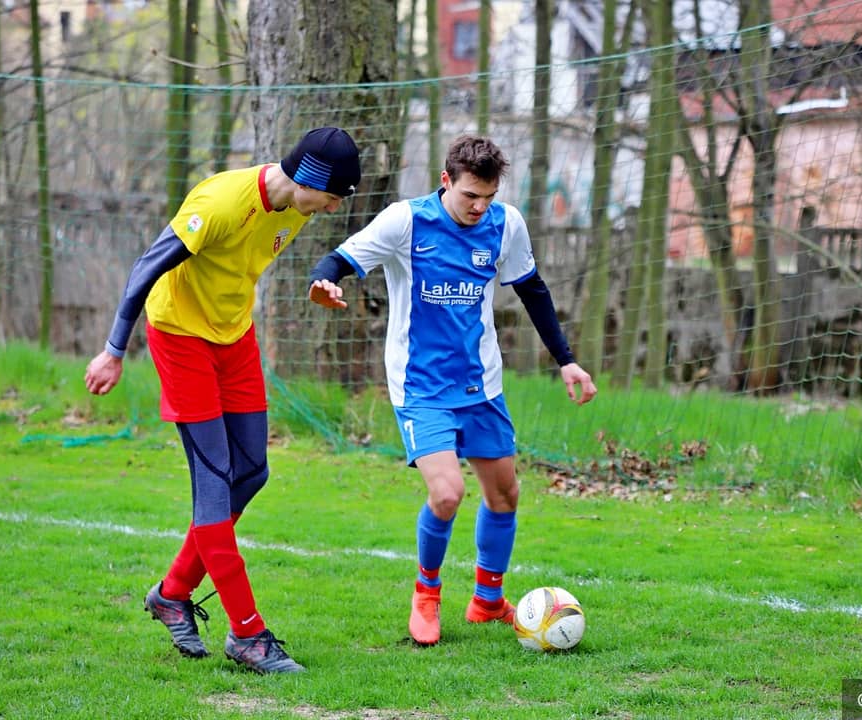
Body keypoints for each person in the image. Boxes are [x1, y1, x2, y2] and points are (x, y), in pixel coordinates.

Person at [84, 127, 362, 673]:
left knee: (251, 472)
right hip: (181, 338)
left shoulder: (297, 207)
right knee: (214, 482)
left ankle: (171, 593)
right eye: (332, 197)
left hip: (234, 336)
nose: (333, 209)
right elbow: (146, 266)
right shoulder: (220, 202)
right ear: (309, 179)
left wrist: (319, 284)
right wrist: (114, 350)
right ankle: (247, 634)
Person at [308, 135, 597, 646]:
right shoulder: (406, 220)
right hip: (420, 386)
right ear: (446, 181)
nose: (479, 207)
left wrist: (567, 360)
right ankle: (427, 594)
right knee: (446, 493)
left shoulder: (506, 224)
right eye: (469, 196)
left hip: (481, 384)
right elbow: (340, 259)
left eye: (488, 196)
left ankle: (488, 600)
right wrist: (324, 282)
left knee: (505, 494)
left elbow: (532, 290)